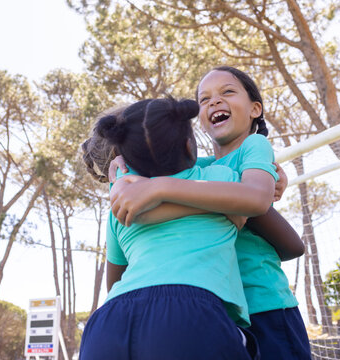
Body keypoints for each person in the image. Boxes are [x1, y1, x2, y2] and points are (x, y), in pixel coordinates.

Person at [108, 66, 311, 359]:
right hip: (215, 308)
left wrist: (159, 188)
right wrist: (120, 167)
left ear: (255, 108)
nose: (214, 101)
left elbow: (281, 232)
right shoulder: (196, 170)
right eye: (204, 99)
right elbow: (150, 148)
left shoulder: (255, 146)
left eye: (228, 92)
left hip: (263, 304)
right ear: (197, 124)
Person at [79, 97, 257, 360]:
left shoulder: (122, 207)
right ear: (188, 146)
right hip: (190, 315)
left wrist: (119, 178)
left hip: (108, 321)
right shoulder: (220, 179)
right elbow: (249, 210)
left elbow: (114, 281)